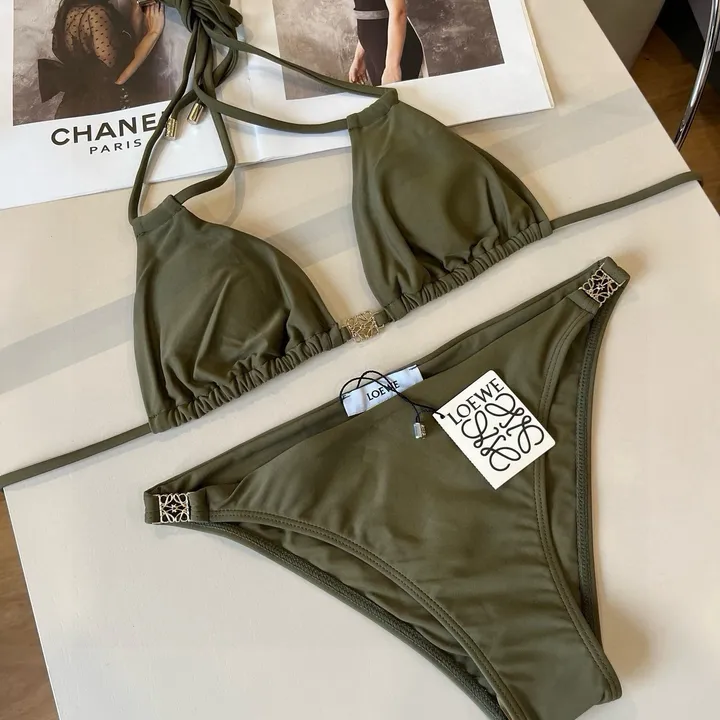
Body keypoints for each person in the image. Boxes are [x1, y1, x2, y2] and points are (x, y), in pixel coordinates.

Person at [38, 0, 165, 119]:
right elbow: (117, 77)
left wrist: (136, 8)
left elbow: (124, 55)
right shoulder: (95, 14)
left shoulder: (71, 11)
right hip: (106, 105)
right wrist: (153, 33)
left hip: (83, 104)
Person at [348, 0, 424, 86]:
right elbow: (370, 12)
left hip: (393, 52)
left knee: (397, 94)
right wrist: (358, 57)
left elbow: (398, 12)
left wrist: (392, 67)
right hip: (373, 51)